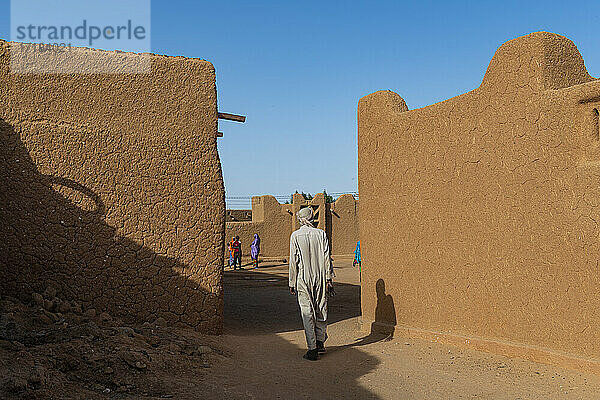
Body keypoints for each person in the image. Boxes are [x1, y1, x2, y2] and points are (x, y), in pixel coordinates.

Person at [289, 207, 334, 361]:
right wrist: (328, 278)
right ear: (311, 218)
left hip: (303, 277)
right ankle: (320, 341)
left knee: (307, 312)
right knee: (321, 308)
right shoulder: (321, 234)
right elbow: (327, 257)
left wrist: (292, 281)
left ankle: (312, 348)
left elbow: (293, 260)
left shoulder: (295, 236)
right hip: (320, 276)